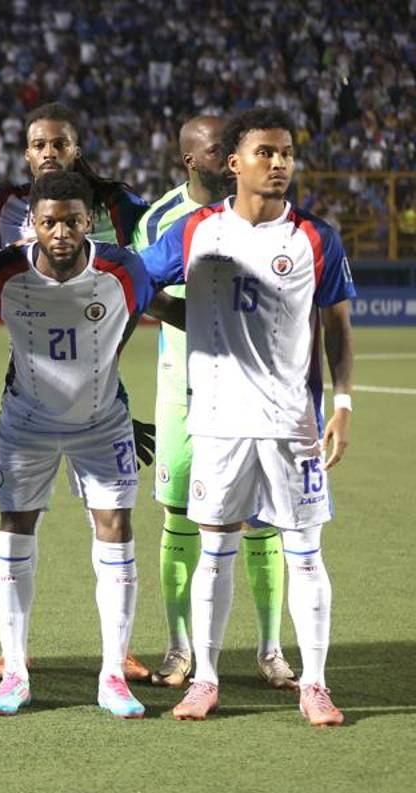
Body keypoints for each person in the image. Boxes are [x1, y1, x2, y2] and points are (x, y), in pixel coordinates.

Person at [141, 107, 355, 726]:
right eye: (266, 152)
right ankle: (205, 679)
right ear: (234, 162)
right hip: (216, 422)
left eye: (287, 152)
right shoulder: (197, 231)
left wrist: (342, 403)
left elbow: (338, 326)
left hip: (295, 426)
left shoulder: (317, 237)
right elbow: (138, 277)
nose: (280, 162)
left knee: (306, 553)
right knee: (215, 552)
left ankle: (314, 682)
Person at [0, 170, 155, 718]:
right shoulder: (6, 274)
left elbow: (135, 316)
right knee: (16, 526)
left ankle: (114, 674)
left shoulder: (123, 269)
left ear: (88, 220)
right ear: (33, 224)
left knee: (116, 528)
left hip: (101, 423)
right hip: (26, 423)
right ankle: (15, 672)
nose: (62, 232)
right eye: (49, 222)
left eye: (73, 220)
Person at [132, 115, 295, 689]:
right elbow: (139, 287)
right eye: (214, 149)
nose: (226, 155)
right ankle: (180, 649)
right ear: (192, 160)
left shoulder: (265, 218)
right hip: (182, 385)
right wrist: (194, 316)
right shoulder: (162, 220)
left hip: (252, 389)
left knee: (260, 518)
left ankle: (271, 649)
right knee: (180, 514)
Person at [0, 102, 148, 248]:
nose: (49, 153)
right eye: (39, 145)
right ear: (27, 154)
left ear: (76, 152)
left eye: (60, 144)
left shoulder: (117, 203)